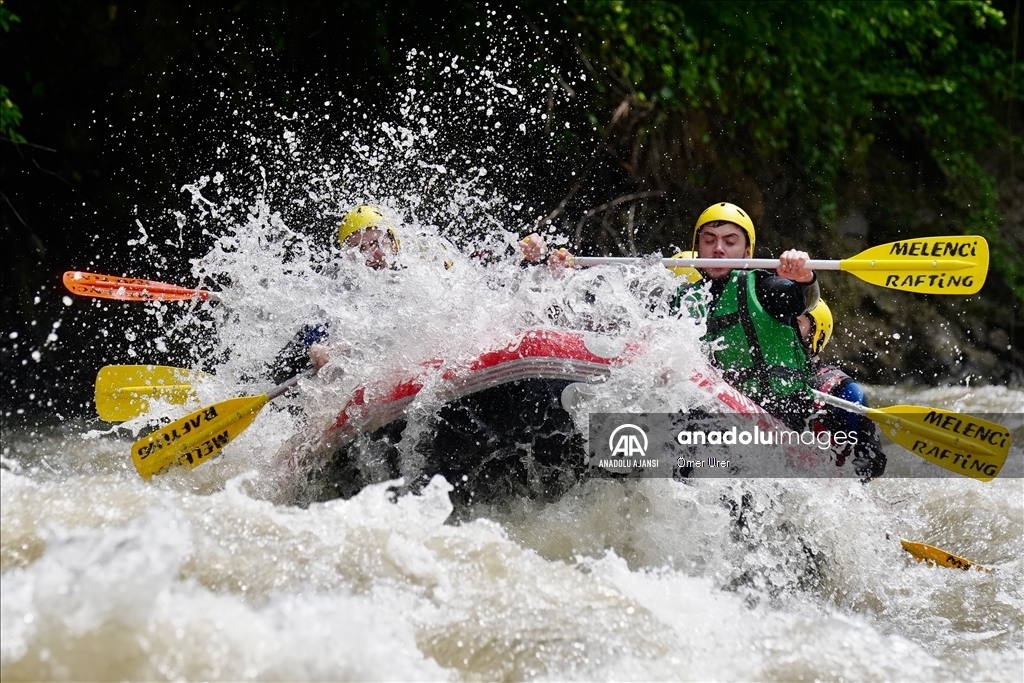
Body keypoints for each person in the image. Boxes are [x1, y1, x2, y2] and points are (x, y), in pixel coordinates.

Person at [671, 202, 819, 429]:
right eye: (709, 241)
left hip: (781, 413)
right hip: (715, 419)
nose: (718, 249)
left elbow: (804, 302)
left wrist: (805, 278)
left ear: (747, 252)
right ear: (697, 249)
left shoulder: (765, 287)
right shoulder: (683, 300)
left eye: (730, 242)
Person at [798, 300, 887, 481]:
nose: (786, 330)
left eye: (796, 323)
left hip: (819, 487)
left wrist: (838, 477)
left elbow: (874, 461)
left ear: (817, 334)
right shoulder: (763, 378)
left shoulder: (845, 391)